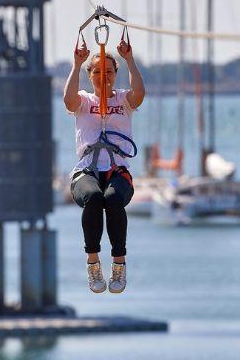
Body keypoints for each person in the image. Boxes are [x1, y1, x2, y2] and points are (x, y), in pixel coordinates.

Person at [63, 32, 145, 294]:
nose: (103, 76)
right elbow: (68, 99)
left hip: (117, 171)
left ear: (115, 73)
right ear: (90, 76)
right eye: (97, 72)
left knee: (112, 199)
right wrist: (77, 64)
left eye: (108, 71)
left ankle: (119, 263)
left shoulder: (123, 100)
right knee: (94, 197)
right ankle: (93, 261)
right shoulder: (84, 101)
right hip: (86, 172)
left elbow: (140, 94)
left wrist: (130, 60)